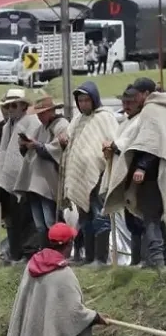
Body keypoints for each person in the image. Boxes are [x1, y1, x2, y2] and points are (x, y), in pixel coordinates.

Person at [103, 77, 165, 270]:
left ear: (145, 93)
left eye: (136, 95)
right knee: (153, 218)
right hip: (156, 171)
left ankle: (157, 261)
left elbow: (152, 143)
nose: (134, 100)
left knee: (151, 218)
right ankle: (152, 260)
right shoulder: (159, 108)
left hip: (151, 175)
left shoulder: (151, 110)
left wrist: (141, 167)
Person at [59, 82, 118, 266]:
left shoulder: (105, 117)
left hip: (99, 176)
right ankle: (89, 257)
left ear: (94, 99)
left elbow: (114, 140)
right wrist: (63, 141)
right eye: (80, 100)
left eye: (86, 100)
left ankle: (101, 259)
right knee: (85, 219)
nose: (83, 104)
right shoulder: (77, 120)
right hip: (81, 178)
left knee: (100, 215)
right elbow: (71, 143)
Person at [0, 89, 41, 265]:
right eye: (7, 106)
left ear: (23, 106)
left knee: (26, 218)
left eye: (13, 105)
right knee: (11, 219)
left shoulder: (32, 122)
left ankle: (28, 254)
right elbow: (2, 152)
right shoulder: (6, 126)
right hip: (6, 180)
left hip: (26, 179)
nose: (10, 109)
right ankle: (15, 253)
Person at [14, 95, 69, 249]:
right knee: (40, 224)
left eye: (42, 113)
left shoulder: (62, 125)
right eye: (38, 114)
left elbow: (57, 150)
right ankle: (44, 251)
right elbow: (30, 152)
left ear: (51, 111)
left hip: (49, 181)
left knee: (51, 221)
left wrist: (37, 145)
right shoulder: (41, 128)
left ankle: (57, 251)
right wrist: (25, 145)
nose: (40, 117)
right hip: (34, 181)